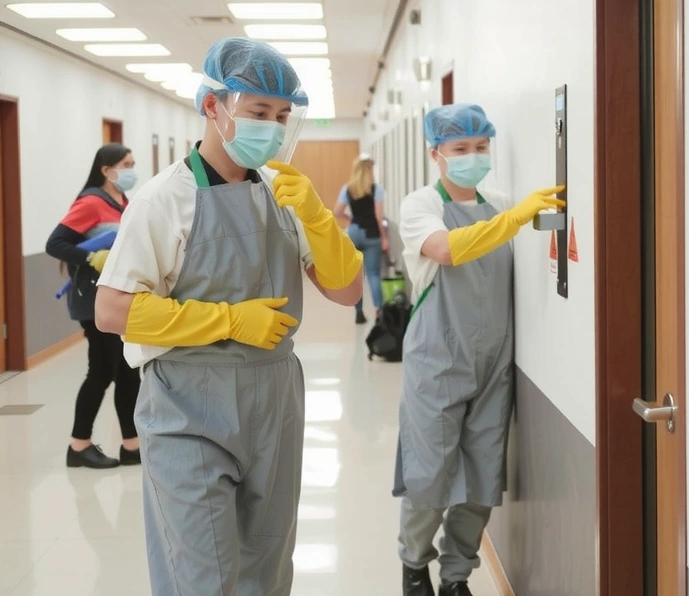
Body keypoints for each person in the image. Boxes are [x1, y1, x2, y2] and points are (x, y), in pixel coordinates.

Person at [93, 37, 364, 595]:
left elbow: (347, 290)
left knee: (266, 570)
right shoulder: (163, 199)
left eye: (282, 115)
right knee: (204, 576)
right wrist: (229, 321)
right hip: (186, 405)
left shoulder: (284, 195)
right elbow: (111, 309)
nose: (271, 125)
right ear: (213, 107)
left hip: (275, 402)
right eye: (258, 112)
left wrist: (316, 217)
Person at [394, 103, 564, 596]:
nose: (473, 155)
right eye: (460, 148)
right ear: (436, 153)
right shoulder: (419, 206)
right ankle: (413, 564)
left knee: (483, 475)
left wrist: (511, 216)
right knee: (429, 477)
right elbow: (448, 249)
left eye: (481, 146)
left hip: (493, 364)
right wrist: (514, 219)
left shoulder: (499, 202)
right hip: (437, 362)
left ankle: (455, 577)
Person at [46, 143, 140, 470]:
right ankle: (79, 445)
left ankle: (132, 445)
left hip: (115, 296)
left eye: (132, 163)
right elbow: (55, 243)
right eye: (126, 164)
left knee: (129, 371)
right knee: (101, 371)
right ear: (106, 169)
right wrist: (91, 257)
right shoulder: (91, 202)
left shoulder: (122, 200)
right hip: (92, 301)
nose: (131, 169)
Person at [333, 154, 389, 324]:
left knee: (357, 275)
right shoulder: (376, 189)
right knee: (373, 274)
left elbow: (337, 212)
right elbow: (379, 217)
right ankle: (379, 313)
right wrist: (385, 237)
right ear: (368, 169)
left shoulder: (347, 189)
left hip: (354, 233)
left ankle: (359, 313)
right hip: (372, 234)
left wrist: (353, 220)